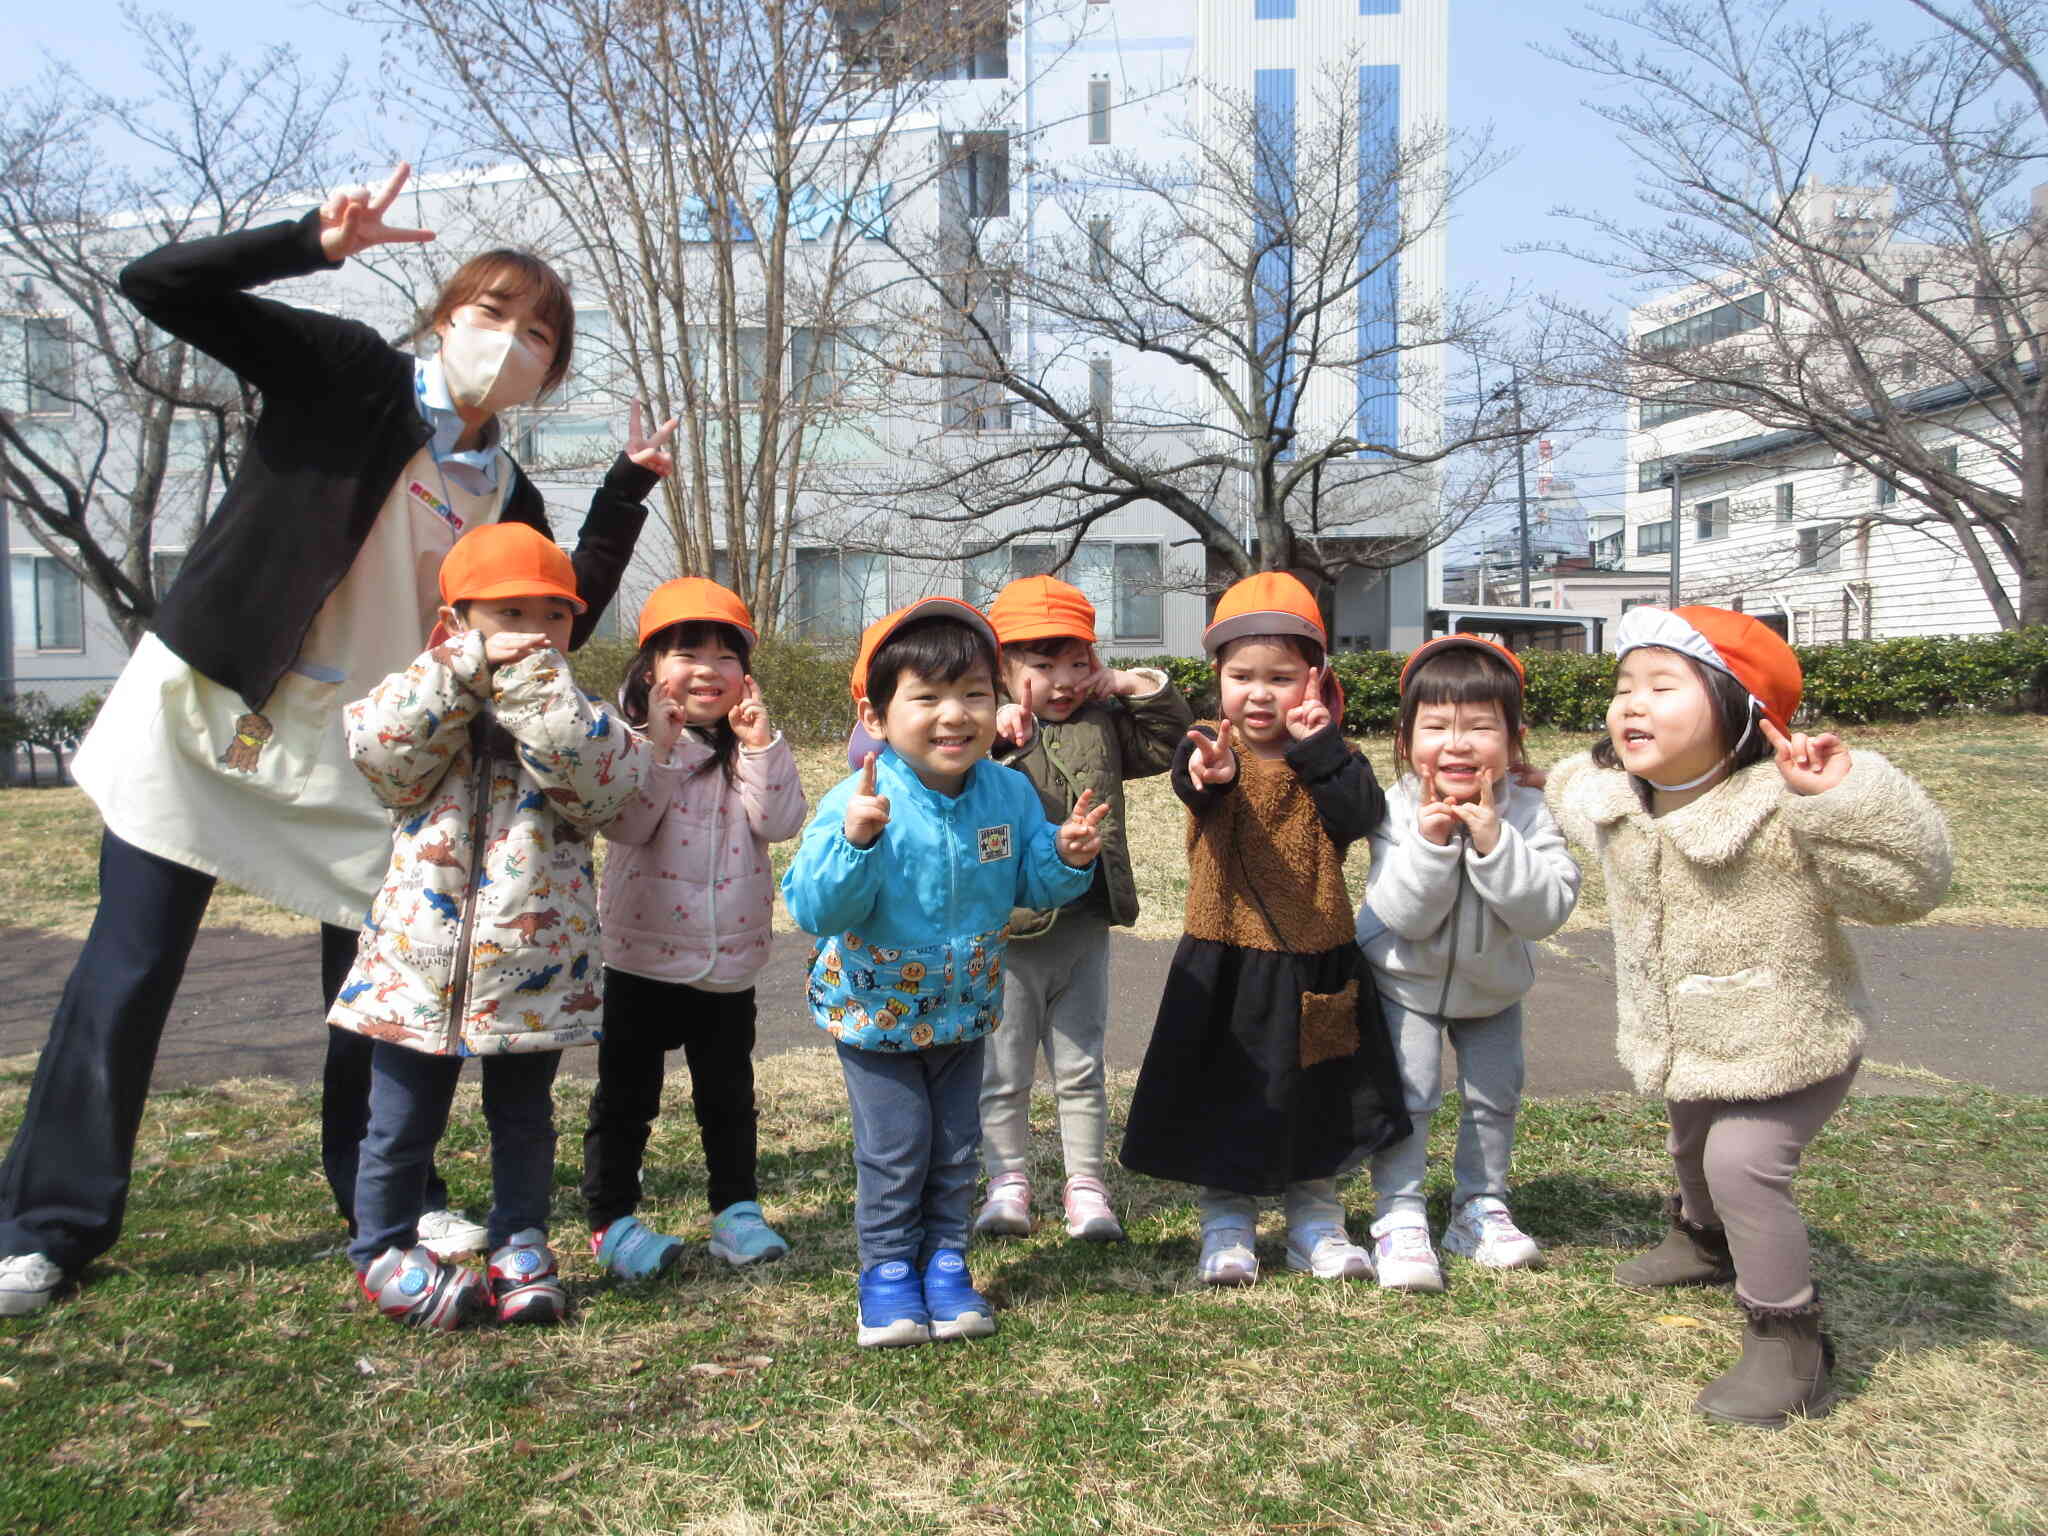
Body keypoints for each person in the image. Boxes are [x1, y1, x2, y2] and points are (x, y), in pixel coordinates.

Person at [0, 163, 675, 1317]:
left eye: (538, 336)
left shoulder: (504, 494)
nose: (510, 343)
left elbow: (552, 609)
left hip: (367, 752)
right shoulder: (349, 375)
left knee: (382, 989)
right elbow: (157, 284)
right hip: (215, 715)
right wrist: (307, 242)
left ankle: (388, 1201)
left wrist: (624, 492)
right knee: (129, 969)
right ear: (443, 317)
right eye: (492, 312)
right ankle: (44, 1226)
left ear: (551, 373)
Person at [1547, 605, 1952, 1426]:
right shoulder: (1621, 801)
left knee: (1741, 1163)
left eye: (1663, 686)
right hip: (1688, 1035)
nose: (1632, 703)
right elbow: (1569, 789)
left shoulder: (1783, 806)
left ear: (1742, 709)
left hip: (1793, 1035)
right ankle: (1702, 1241)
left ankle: (1788, 1339)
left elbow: (1908, 887)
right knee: (1690, 1144)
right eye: (1624, 687)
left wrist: (1841, 797)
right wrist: (1529, 779)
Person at [335, 522, 648, 1329]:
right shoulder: (421, 695)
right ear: (456, 622)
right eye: (509, 613)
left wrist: (534, 694)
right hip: (418, 961)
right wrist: (460, 672)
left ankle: (521, 1240)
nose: (533, 632)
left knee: (524, 1119)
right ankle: (381, 1250)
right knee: (400, 1122)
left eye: (554, 615)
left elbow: (604, 789)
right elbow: (379, 753)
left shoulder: (575, 713)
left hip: (532, 962)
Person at [781, 598, 1106, 1348]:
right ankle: (888, 1273)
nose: (954, 715)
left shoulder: (1007, 792)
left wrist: (1065, 857)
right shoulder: (860, 798)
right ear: (876, 714)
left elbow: (1031, 884)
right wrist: (856, 843)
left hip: (965, 1011)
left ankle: (947, 1264)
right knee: (897, 1150)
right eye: (926, 697)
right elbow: (813, 908)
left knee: (957, 1148)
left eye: (974, 694)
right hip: (876, 1018)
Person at [1120, 573, 1410, 1286]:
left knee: (1320, 1094)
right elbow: (1194, 779)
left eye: (1280, 678)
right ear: (1217, 678)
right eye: (1241, 676)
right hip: (1225, 952)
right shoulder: (1209, 744)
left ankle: (1317, 1221)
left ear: (1316, 680)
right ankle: (1227, 1220)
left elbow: (1359, 815)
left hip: (1318, 955)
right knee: (1228, 1087)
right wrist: (1212, 771)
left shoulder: (1334, 755)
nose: (1259, 694)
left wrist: (1319, 748)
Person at [581, 579, 808, 1280]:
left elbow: (781, 822)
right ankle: (611, 1220)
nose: (708, 670)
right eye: (687, 653)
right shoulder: (627, 741)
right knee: (626, 1097)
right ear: (651, 667)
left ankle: (736, 1211)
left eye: (725, 656)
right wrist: (657, 746)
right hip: (640, 958)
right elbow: (625, 824)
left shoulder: (751, 747)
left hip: (728, 963)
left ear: (747, 674)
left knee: (728, 1097)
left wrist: (761, 746)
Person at [1354, 635, 1580, 1292]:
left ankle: (1480, 1207)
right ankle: (1400, 1213)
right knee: (1411, 1091)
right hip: (1403, 983)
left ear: (1514, 742)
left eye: (1481, 726)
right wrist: (1432, 843)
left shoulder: (1531, 813)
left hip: (1495, 988)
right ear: (1406, 740)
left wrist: (1493, 841)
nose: (1457, 744)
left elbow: (1545, 911)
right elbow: (1402, 914)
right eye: (1436, 727)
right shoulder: (1395, 809)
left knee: (1494, 1096)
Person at [972, 576, 1192, 1244]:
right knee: (1003, 1070)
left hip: (1086, 919)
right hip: (1008, 927)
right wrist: (989, 730)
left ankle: (1087, 1184)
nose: (1064, 681)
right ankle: (1006, 1182)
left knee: (1081, 1065)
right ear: (1003, 668)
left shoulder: (1103, 722)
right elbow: (940, 772)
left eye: (1078, 662)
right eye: (1043, 667)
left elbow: (1168, 742)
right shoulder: (981, 730)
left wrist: (1130, 685)